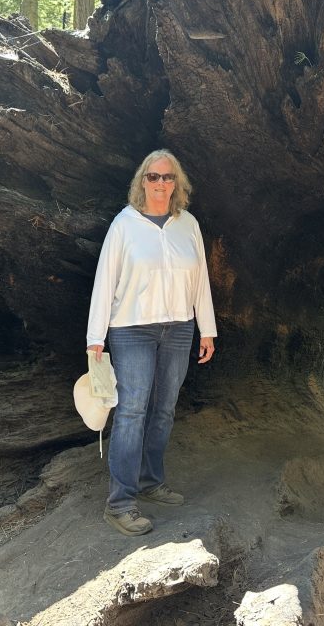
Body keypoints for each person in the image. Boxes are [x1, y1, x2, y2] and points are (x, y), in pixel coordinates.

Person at [86, 149, 217, 536]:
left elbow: (201, 279)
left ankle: (150, 481)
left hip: (179, 328)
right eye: (154, 177)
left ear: (178, 184)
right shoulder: (124, 226)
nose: (161, 184)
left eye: (168, 177)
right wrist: (96, 338)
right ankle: (120, 503)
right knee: (131, 413)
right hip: (132, 329)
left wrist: (206, 328)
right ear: (142, 181)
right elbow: (104, 281)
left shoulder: (187, 224)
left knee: (164, 409)